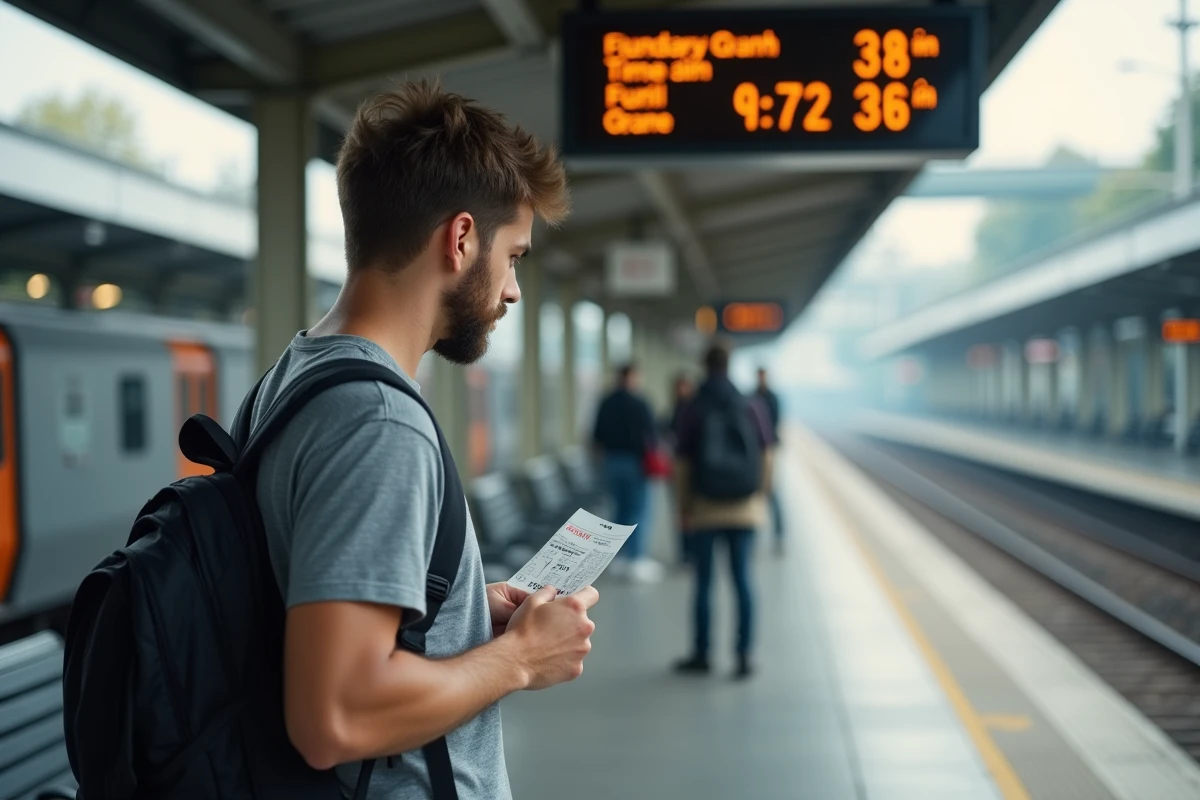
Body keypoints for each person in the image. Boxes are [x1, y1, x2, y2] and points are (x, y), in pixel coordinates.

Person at [240, 81, 597, 800]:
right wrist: (520, 661)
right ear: (461, 239)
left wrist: (463, 611)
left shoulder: (295, 373)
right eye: (515, 256)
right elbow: (334, 715)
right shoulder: (379, 421)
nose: (513, 291)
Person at [672, 342, 773, 680]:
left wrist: (684, 507)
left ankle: (702, 654)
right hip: (744, 507)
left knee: (704, 583)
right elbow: (767, 453)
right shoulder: (751, 404)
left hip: (705, 507)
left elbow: (683, 463)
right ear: (730, 365)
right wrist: (759, 494)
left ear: (704, 364)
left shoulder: (693, 407)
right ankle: (744, 654)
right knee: (743, 579)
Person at [592, 363, 664, 582]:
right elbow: (652, 434)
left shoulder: (606, 402)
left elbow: (596, 434)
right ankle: (637, 558)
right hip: (635, 463)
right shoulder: (640, 402)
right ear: (632, 377)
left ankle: (618, 557)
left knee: (619, 510)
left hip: (612, 462)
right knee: (639, 510)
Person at [755, 366, 786, 553]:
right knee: (759, 491)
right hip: (758, 449)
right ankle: (756, 533)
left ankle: (779, 535)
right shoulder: (754, 396)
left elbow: (776, 422)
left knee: (771, 490)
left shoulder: (772, 397)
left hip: (769, 449)